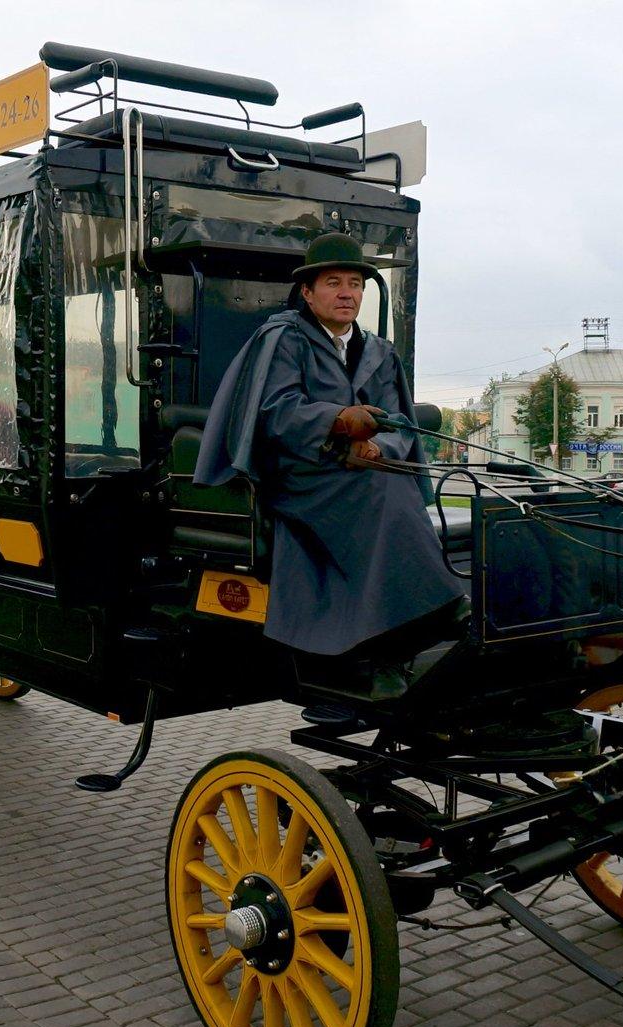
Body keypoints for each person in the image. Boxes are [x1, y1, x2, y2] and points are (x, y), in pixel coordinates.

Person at [194, 232, 465, 695]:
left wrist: (379, 450)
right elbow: (277, 413)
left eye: (355, 284)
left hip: (361, 470)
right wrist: (338, 421)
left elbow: (398, 422)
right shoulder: (284, 340)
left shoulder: (379, 352)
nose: (346, 293)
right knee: (382, 491)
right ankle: (414, 625)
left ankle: (404, 634)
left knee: (393, 482)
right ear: (307, 292)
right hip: (300, 474)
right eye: (334, 283)